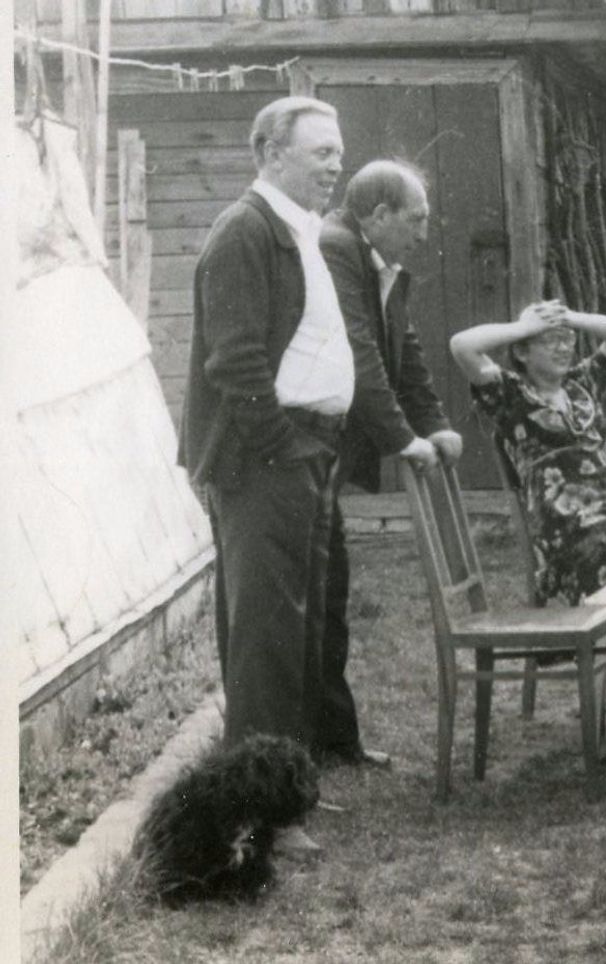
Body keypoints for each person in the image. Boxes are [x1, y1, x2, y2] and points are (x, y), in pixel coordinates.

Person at [181, 97, 350, 853]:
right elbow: (234, 360)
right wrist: (282, 446)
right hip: (264, 463)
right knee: (266, 642)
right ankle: (261, 819)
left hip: (304, 454)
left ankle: (291, 795)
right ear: (273, 155)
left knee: (302, 633)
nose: (336, 165)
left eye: (338, 152)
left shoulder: (298, 232)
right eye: (322, 153)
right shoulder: (244, 232)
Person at [317, 159, 463, 767]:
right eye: (417, 219)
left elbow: (403, 350)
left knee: (330, 589)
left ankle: (334, 740)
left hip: (327, 450)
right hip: (302, 444)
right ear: (378, 216)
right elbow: (358, 354)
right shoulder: (335, 250)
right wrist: (404, 440)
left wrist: (435, 424)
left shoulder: (381, 262)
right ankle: (320, 743)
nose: (425, 233)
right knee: (318, 593)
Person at [449, 303, 606, 607]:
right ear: (521, 353)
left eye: (567, 339)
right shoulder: (510, 394)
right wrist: (526, 327)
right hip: (570, 539)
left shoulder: (581, 383)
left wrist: (569, 318)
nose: (562, 348)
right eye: (549, 340)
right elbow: (461, 345)